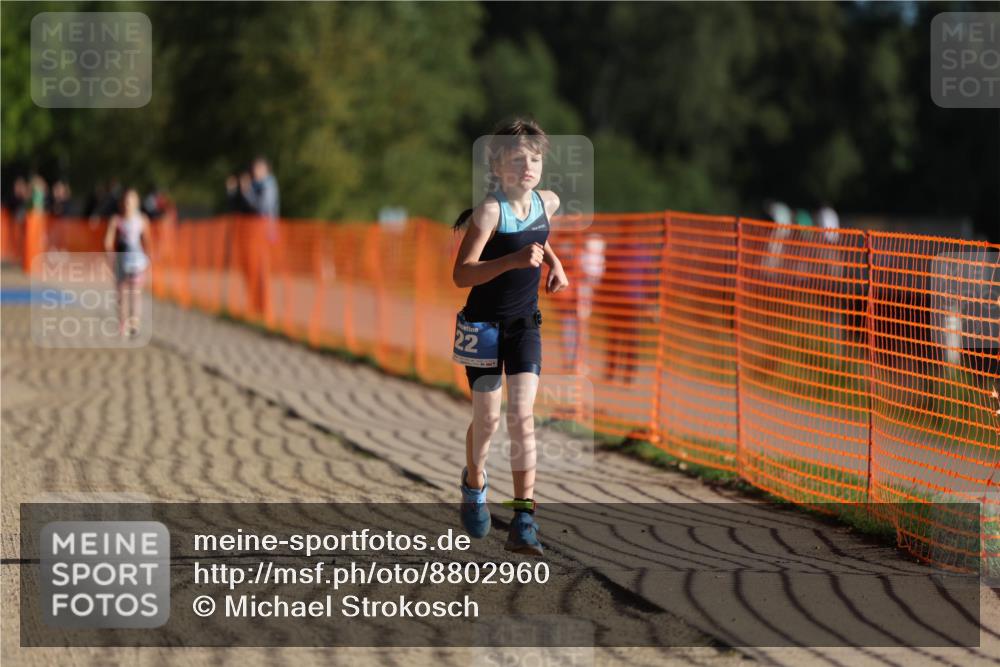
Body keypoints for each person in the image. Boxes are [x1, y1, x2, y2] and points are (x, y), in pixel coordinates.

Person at [451, 117, 569, 557]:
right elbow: (462, 274)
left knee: (522, 417)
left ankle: (524, 519)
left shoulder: (548, 203)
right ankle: (474, 482)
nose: (527, 166)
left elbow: (538, 235)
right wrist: (516, 260)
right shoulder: (489, 211)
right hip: (482, 328)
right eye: (517, 158)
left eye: (535, 158)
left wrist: (554, 263)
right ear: (497, 165)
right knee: (489, 421)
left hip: (524, 325)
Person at [103, 188, 150, 337]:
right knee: (121, 294)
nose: (127, 203)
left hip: (138, 262)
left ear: (136, 202)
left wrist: (149, 260)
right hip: (121, 260)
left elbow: (147, 242)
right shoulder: (116, 220)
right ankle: (122, 323)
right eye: (125, 200)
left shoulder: (142, 220)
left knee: (135, 293)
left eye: (130, 200)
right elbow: (108, 241)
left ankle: (134, 322)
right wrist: (110, 256)